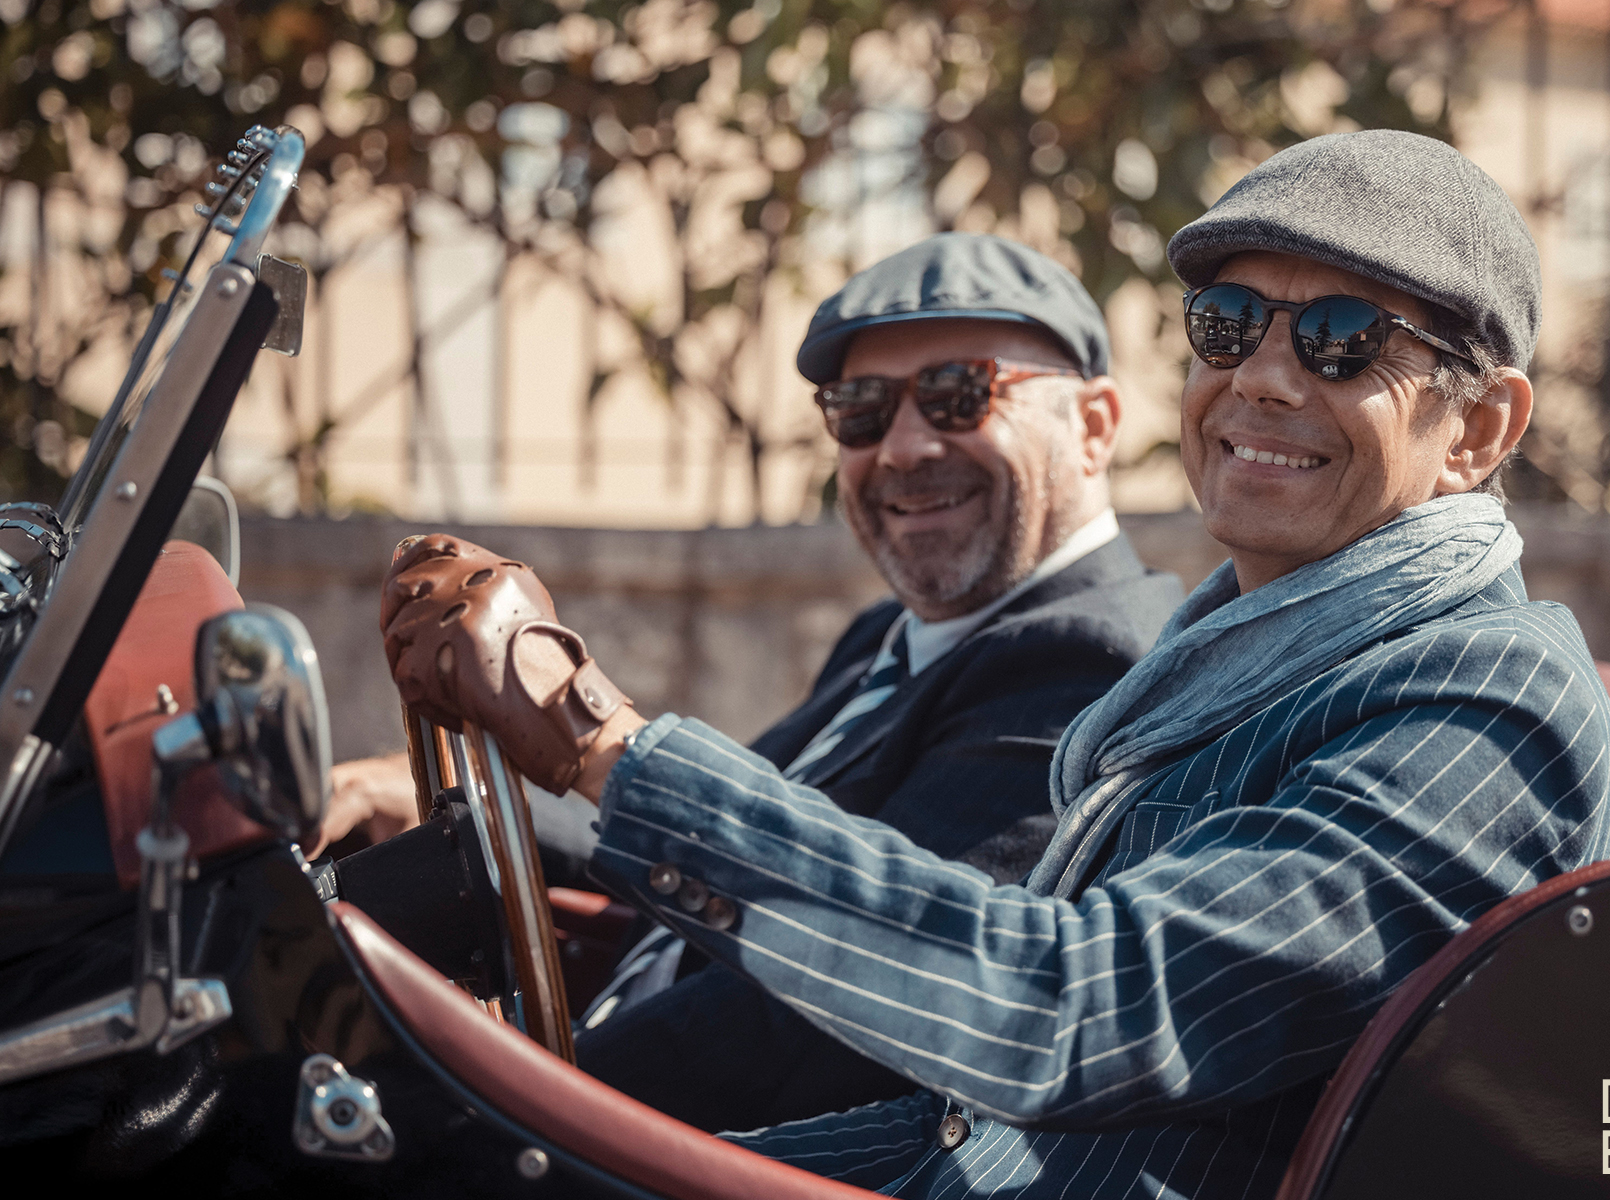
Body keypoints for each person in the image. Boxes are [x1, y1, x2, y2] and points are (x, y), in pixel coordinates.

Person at [379, 130, 1610, 1199]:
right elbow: (963, 1128)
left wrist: (598, 738)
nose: (1260, 378)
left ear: (1478, 429)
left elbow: (1073, 1010)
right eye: (1229, 325)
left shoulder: (1486, 698)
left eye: (1344, 340)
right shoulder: (1227, 664)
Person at [341, 233, 1184, 1133]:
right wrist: (451, 803)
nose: (902, 447)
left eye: (956, 394)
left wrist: (460, 1118)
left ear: (1093, 426)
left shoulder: (1090, 662)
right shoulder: (893, 636)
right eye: (859, 409)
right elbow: (723, 856)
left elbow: (819, 1014)